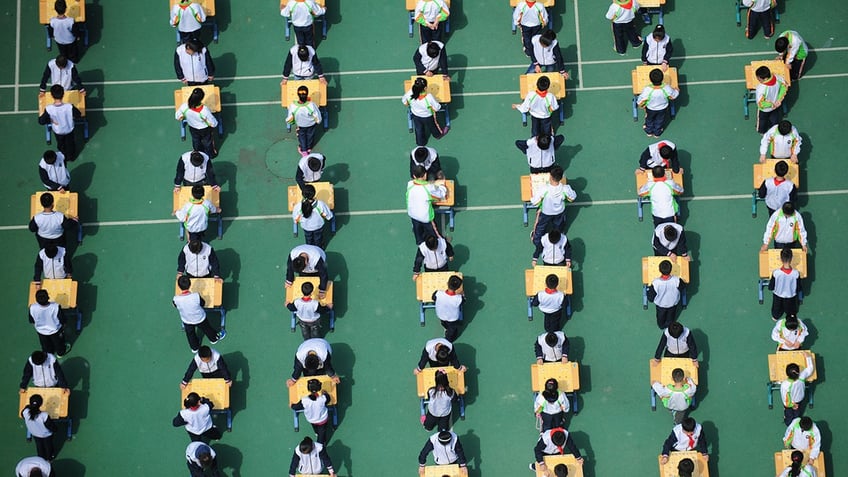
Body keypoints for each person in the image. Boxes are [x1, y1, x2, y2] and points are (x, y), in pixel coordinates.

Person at [173, 275, 226, 353]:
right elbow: (203, 303)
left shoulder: (176, 299)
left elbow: (174, 305)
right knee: (207, 329)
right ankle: (214, 339)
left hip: (186, 320)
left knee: (190, 334)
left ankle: (194, 347)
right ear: (190, 284)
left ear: (179, 286)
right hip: (199, 318)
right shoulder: (196, 296)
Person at [529, 165, 577, 246]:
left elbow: (534, 202)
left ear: (550, 176)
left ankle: (536, 241)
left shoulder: (544, 189)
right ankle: (558, 239)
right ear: (561, 177)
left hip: (546, 213)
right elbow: (572, 198)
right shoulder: (566, 188)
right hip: (559, 212)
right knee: (559, 227)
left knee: (540, 227)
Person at [38, 85, 81, 162]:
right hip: (69, 129)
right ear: (63, 94)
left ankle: (63, 156)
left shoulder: (49, 108)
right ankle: (71, 157)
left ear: (51, 95)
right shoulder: (69, 106)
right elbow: (78, 114)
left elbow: (41, 121)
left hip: (58, 131)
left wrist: (50, 120)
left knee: (61, 145)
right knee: (70, 144)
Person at [403, 77, 449, 147]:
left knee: (418, 129)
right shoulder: (429, 97)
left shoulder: (409, 93)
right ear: (425, 88)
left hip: (416, 115)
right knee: (433, 126)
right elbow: (437, 108)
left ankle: (420, 142)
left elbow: (405, 102)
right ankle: (438, 135)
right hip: (428, 116)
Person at [407, 165, 447, 244]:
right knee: (437, 235)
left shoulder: (409, 184)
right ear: (425, 175)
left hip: (413, 216)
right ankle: (442, 244)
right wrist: (442, 185)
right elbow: (441, 194)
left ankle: (420, 243)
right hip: (426, 218)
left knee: (418, 235)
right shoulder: (428, 188)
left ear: (414, 176)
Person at [176, 87, 219, 158]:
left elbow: (177, 117)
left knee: (196, 140)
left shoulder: (184, 106)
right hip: (205, 129)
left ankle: (197, 153)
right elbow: (214, 123)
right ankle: (211, 154)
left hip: (193, 128)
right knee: (207, 142)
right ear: (201, 99)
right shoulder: (204, 110)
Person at [637, 68, 679, 138]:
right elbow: (674, 95)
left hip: (650, 109)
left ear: (650, 80)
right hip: (663, 108)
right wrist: (677, 90)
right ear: (662, 79)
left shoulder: (647, 89)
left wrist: (642, 106)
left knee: (649, 119)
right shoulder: (667, 88)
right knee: (660, 120)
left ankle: (649, 131)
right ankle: (657, 133)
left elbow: (640, 101)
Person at [29, 290, 70, 357]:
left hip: (41, 332)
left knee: (45, 345)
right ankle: (60, 353)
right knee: (59, 343)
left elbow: (32, 320)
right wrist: (64, 325)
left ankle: (49, 353)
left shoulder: (32, 307)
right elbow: (62, 319)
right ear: (48, 297)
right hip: (55, 331)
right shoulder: (55, 306)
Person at [291, 378, 333, 444]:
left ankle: (316, 432)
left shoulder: (304, 400)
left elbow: (296, 407)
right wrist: (325, 393)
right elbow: (328, 399)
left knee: (315, 427)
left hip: (311, 420)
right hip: (322, 420)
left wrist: (291, 405)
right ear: (319, 388)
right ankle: (322, 443)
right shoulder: (323, 398)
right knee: (322, 433)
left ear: (308, 389)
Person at [293, 184, 334, 248]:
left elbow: (295, 219)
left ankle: (309, 248)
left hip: (306, 227)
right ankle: (319, 248)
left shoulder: (298, 206)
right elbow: (329, 216)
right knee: (318, 239)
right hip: (318, 227)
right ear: (314, 193)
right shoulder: (320, 204)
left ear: (303, 194)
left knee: (308, 239)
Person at [647, 260, 685, 329]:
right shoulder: (677, 280)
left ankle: (661, 325)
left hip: (661, 305)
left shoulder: (655, 283)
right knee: (671, 316)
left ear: (659, 270)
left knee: (660, 317)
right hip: (673, 304)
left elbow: (650, 298)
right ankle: (669, 325)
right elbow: (683, 287)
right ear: (671, 270)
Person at [286, 85, 323, 156]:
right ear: (307, 95)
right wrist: (317, 121)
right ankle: (309, 147)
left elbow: (289, 119)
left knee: (301, 137)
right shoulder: (311, 105)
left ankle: (304, 150)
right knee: (310, 135)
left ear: (298, 95)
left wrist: (292, 122)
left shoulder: (293, 106)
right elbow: (318, 118)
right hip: (311, 125)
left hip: (300, 125)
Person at [780, 352, 815, 425]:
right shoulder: (802, 376)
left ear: (787, 374)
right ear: (798, 372)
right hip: (799, 400)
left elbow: (785, 399)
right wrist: (808, 357)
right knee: (797, 413)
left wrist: (792, 405)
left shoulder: (785, 385)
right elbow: (810, 368)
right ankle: (796, 422)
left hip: (791, 404)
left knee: (789, 415)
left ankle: (788, 423)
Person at [768, 247, 801, 322]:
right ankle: (791, 316)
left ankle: (775, 316)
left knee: (776, 307)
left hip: (778, 294)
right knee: (791, 308)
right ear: (791, 258)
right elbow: (799, 287)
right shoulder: (796, 273)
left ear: (780, 259)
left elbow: (771, 287)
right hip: (791, 295)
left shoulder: (776, 272)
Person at [22, 394, 57, 460]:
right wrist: (55, 429)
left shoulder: (25, 412)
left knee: (39, 446)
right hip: (46, 435)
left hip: (35, 433)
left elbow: (23, 414)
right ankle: (50, 457)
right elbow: (50, 426)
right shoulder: (44, 415)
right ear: (41, 404)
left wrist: (28, 407)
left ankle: (41, 458)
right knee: (48, 446)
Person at [754, 65, 788, 134]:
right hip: (776, 106)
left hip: (765, 109)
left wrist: (771, 105)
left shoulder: (761, 88)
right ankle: (774, 131)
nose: (758, 79)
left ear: (765, 78)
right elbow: (784, 87)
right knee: (775, 119)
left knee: (762, 120)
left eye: (758, 78)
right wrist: (779, 100)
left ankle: (762, 131)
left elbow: (760, 103)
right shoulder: (778, 78)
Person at [433, 275, 465, 342]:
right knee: (452, 330)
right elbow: (463, 302)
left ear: (447, 283)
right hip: (452, 319)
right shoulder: (459, 298)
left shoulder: (438, 293)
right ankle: (448, 340)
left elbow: (433, 298)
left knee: (444, 323)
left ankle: (445, 328)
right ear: (458, 288)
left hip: (441, 315)